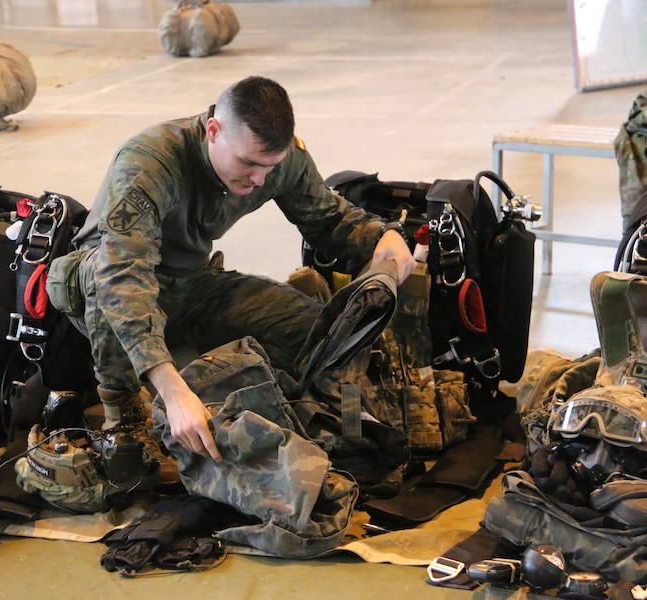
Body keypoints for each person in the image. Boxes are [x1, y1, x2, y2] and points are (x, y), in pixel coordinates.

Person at [53, 75, 414, 463]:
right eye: (248, 163)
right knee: (103, 277)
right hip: (108, 287)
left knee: (317, 330)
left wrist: (383, 236)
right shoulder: (149, 162)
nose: (259, 179)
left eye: (269, 166)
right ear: (214, 130)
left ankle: (304, 410)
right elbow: (123, 276)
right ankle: (123, 420)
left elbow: (327, 217)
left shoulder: (278, 159)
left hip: (194, 284)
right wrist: (173, 392)